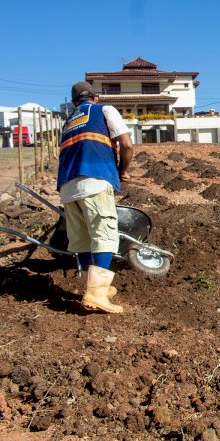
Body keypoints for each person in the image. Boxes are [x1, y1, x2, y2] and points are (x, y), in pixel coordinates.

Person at [57, 81, 134, 313]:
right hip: (95, 178)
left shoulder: (68, 122)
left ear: (74, 102)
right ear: (96, 98)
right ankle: (97, 293)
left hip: (67, 186)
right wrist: (122, 171)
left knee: (82, 239)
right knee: (105, 235)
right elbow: (127, 144)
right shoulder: (104, 110)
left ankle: (91, 288)